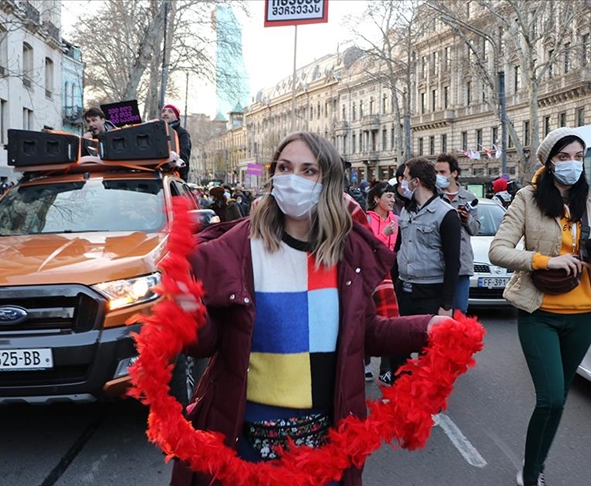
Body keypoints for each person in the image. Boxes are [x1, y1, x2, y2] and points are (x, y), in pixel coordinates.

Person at [171, 132, 448, 485]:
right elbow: (206, 344)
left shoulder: (348, 254)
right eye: (284, 168)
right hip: (244, 446)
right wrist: (189, 313)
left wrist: (427, 327)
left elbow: (365, 333)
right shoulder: (239, 249)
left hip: (323, 451)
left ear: (328, 181)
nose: (292, 179)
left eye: (308, 170)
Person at [488, 127, 591, 486]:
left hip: (583, 316)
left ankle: (537, 463)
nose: (572, 165)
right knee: (549, 399)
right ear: (549, 162)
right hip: (539, 312)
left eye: (579, 157)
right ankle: (530, 474)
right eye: (563, 157)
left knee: (559, 398)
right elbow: (499, 251)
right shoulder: (527, 199)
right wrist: (547, 261)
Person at [388, 157, 461, 383]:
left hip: (430, 293)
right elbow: (399, 251)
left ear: (416, 182)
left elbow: (453, 263)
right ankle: (401, 400)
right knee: (397, 352)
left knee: (428, 357)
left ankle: (425, 409)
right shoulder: (407, 212)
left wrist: (446, 306)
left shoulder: (446, 214)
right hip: (404, 290)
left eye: (406, 179)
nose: (402, 184)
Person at [434, 153, 480, 315]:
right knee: (440, 311)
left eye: (442, 172)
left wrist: (466, 219)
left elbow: (475, 230)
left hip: (462, 263)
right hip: (438, 264)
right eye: (436, 172)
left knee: (460, 310)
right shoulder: (434, 197)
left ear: (454, 173)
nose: (438, 176)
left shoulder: (468, 197)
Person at [364, 181, 399, 383]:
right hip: (368, 274)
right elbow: (363, 245)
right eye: (388, 196)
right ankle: (365, 362)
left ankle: (386, 369)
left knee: (389, 320)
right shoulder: (367, 218)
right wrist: (383, 234)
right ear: (377, 199)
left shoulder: (396, 219)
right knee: (365, 318)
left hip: (387, 275)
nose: (392, 200)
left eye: (393, 196)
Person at [161, 104, 192, 182]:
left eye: (170, 111)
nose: (165, 113)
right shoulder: (157, 131)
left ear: (176, 117)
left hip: (175, 179)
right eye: (163, 111)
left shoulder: (182, 133)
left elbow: (184, 156)